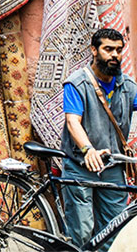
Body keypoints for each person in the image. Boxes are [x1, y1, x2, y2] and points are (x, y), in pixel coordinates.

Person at [61, 28, 137, 252]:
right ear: (94, 51)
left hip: (112, 166)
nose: (115, 55)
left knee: (114, 229)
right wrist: (88, 150)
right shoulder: (77, 83)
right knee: (82, 231)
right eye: (108, 49)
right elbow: (73, 121)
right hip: (80, 165)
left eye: (119, 50)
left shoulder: (128, 86)